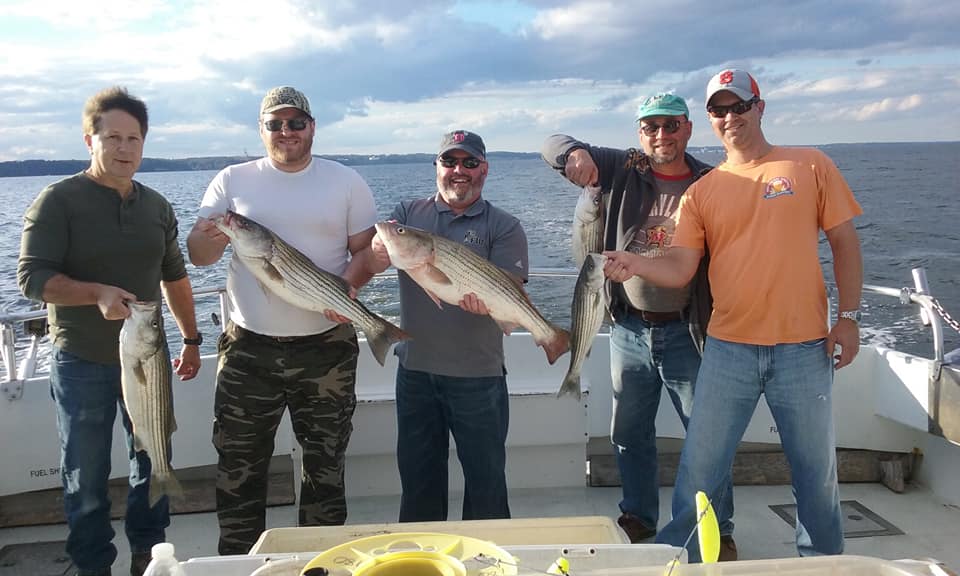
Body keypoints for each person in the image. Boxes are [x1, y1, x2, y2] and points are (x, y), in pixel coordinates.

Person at [603, 69, 863, 561]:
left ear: (759, 108)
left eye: (738, 106)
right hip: (727, 350)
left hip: (803, 348)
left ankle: (825, 566)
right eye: (719, 110)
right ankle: (680, 560)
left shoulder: (809, 165)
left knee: (815, 475)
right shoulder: (703, 190)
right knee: (698, 473)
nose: (729, 117)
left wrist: (847, 316)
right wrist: (634, 263)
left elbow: (844, 241)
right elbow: (682, 266)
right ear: (708, 120)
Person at [541, 93, 735, 558]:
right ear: (639, 133)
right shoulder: (623, 168)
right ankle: (639, 516)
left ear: (688, 129)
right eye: (651, 127)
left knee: (704, 435)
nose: (661, 136)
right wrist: (574, 155)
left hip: (688, 330)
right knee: (629, 432)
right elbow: (551, 143)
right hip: (628, 329)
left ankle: (718, 528)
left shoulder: (710, 181)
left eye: (671, 126)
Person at [17, 86, 201, 576]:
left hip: (150, 355)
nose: (124, 149)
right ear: (89, 140)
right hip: (82, 360)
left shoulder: (156, 205)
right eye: (113, 137)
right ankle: (92, 564)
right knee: (86, 471)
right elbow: (32, 278)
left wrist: (192, 338)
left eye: (134, 139)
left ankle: (149, 553)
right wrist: (96, 292)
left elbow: (175, 275)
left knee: (151, 456)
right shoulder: (58, 201)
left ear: (144, 143)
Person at [186, 86, 378, 555]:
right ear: (261, 130)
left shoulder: (346, 181)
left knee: (325, 466)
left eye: (296, 123)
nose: (286, 132)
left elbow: (368, 253)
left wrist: (346, 290)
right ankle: (238, 562)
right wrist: (214, 235)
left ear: (312, 126)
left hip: (327, 347)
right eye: (275, 124)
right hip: (249, 350)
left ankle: (320, 560)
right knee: (239, 466)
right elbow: (198, 254)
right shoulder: (232, 181)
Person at [368, 130, 527, 522]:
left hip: (478, 376)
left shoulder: (504, 226)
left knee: (486, 484)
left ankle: (488, 561)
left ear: (484, 170)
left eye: (469, 162)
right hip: (416, 373)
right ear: (436, 167)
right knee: (419, 482)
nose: (459, 171)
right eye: (449, 162)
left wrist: (488, 302)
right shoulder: (407, 215)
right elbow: (375, 261)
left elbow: (509, 291)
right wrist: (377, 249)